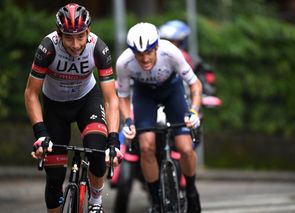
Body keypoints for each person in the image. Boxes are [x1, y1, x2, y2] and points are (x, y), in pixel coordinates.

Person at [24, 3, 123, 213]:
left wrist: (113, 140)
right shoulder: (47, 48)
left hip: (87, 100)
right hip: (55, 107)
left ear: (88, 31)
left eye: (80, 36)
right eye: (69, 37)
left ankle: (96, 201)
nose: (76, 44)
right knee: (54, 180)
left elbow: (111, 99)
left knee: (98, 151)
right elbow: (31, 93)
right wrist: (40, 134)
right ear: (59, 34)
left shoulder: (98, 48)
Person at [116, 22, 202, 213]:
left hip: (172, 91)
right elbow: (122, 97)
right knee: (146, 147)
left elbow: (195, 85)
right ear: (132, 52)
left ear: (156, 47)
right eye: (139, 54)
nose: (145, 58)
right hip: (144, 94)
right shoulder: (124, 62)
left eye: (149, 52)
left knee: (185, 148)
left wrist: (194, 111)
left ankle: (191, 191)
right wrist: (127, 120)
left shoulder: (170, 52)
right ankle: (155, 200)